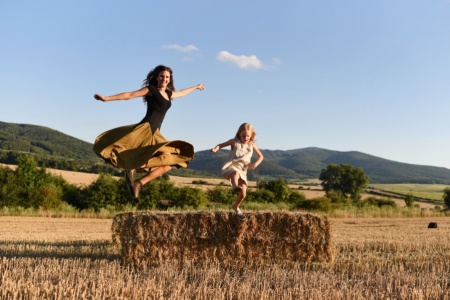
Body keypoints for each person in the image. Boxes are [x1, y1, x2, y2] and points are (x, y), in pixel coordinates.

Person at [93, 65, 204, 201]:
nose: (164, 79)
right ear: (157, 77)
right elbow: (130, 95)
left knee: (169, 163)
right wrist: (106, 98)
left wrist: (196, 87)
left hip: (156, 132)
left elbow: (181, 92)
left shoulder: (168, 94)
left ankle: (138, 183)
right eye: (162, 76)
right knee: (168, 157)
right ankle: (134, 168)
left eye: (167, 77)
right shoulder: (151, 90)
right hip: (146, 128)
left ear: (170, 79)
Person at [210, 123, 263, 214]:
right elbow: (221, 145)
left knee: (243, 194)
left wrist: (255, 164)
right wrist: (215, 149)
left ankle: (235, 206)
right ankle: (234, 187)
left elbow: (261, 156)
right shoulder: (234, 142)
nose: (245, 138)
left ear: (251, 135)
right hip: (231, 166)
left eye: (248, 136)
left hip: (243, 169)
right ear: (239, 134)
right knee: (235, 173)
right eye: (243, 136)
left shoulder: (251, 145)